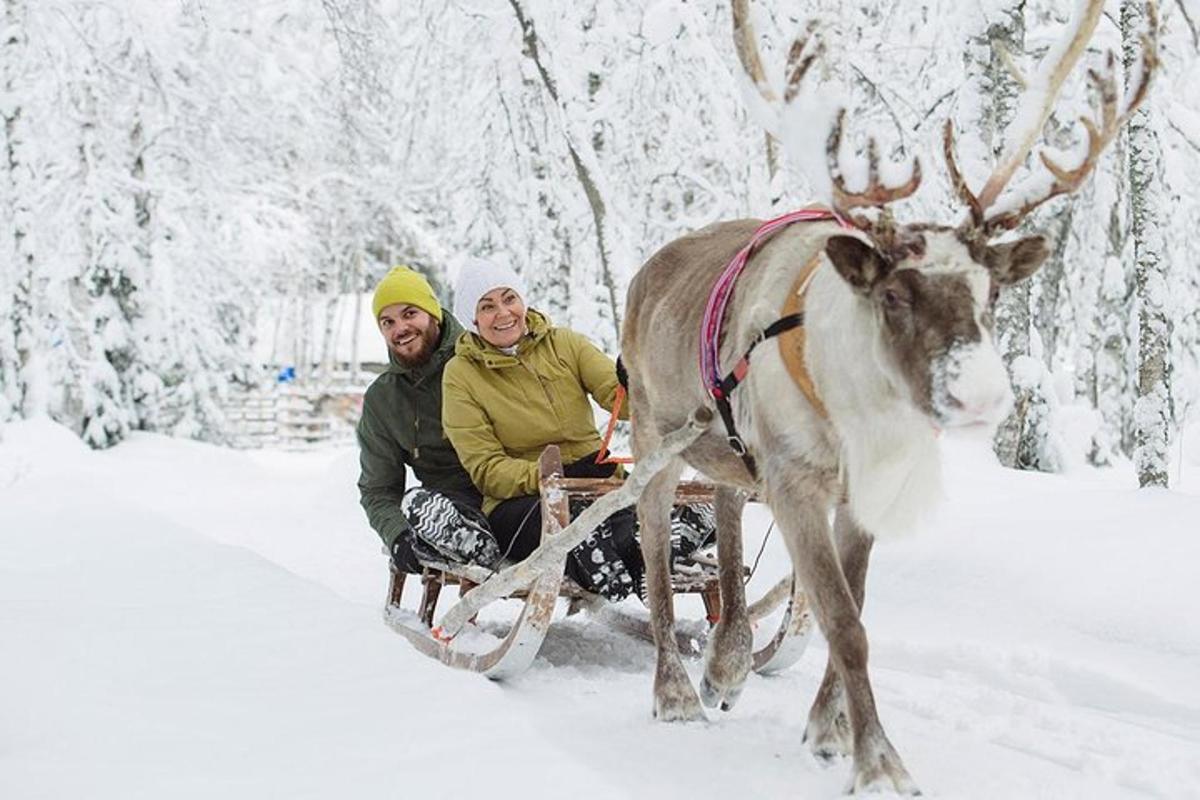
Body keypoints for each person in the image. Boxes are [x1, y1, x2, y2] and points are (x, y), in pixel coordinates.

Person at [442, 258, 716, 601]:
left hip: (593, 480)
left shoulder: (565, 344)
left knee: (613, 508)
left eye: (509, 298)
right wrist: (551, 476)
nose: (503, 313)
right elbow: (485, 469)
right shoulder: (461, 375)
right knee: (580, 518)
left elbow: (619, 398)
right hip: (522, 501)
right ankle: (651, 548)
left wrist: (638, 381)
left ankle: (644, 548)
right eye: (487, 306)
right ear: (472, 318)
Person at [356, 266, 502, 574]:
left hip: (510, 489)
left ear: (433, 314)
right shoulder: (384, 399)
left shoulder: (482, 355)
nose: (400, 328)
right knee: (416, 504)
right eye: (388, 322)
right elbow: (378, 488)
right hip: (452, 505)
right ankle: (471, 540)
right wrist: (396, 534)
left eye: (410, 314)